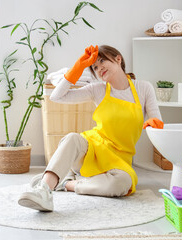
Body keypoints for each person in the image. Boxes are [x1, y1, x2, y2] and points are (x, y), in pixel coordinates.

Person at [18, 45, 164, 212]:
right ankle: (43, 190)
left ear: (118, 59)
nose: (98, 67)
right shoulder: (98, 89)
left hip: (120, 160)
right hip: (92, 150)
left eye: (102, 61)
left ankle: (67, 183)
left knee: (122, 184)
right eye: (94, 66)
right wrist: (78, 67)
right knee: (73, 138)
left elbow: (156, 118)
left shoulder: (143, 88)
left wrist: (154, 123)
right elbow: (56, 96)